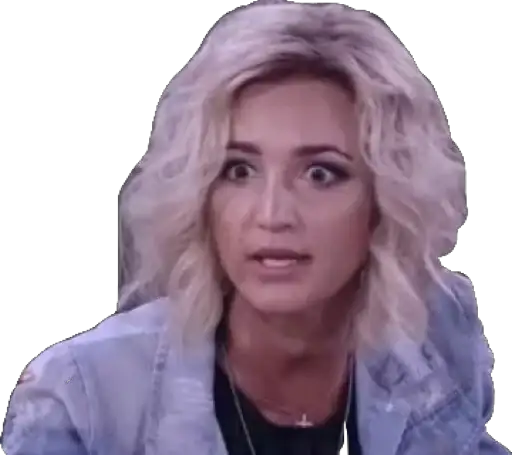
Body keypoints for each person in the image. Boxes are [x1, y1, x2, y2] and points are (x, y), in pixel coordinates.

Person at [2, 1, 506, 454]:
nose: (271, 214)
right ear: (199, 193)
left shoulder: (438, 343)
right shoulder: (81, 399)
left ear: (388, 198)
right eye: (238, 170)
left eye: (320, 173)